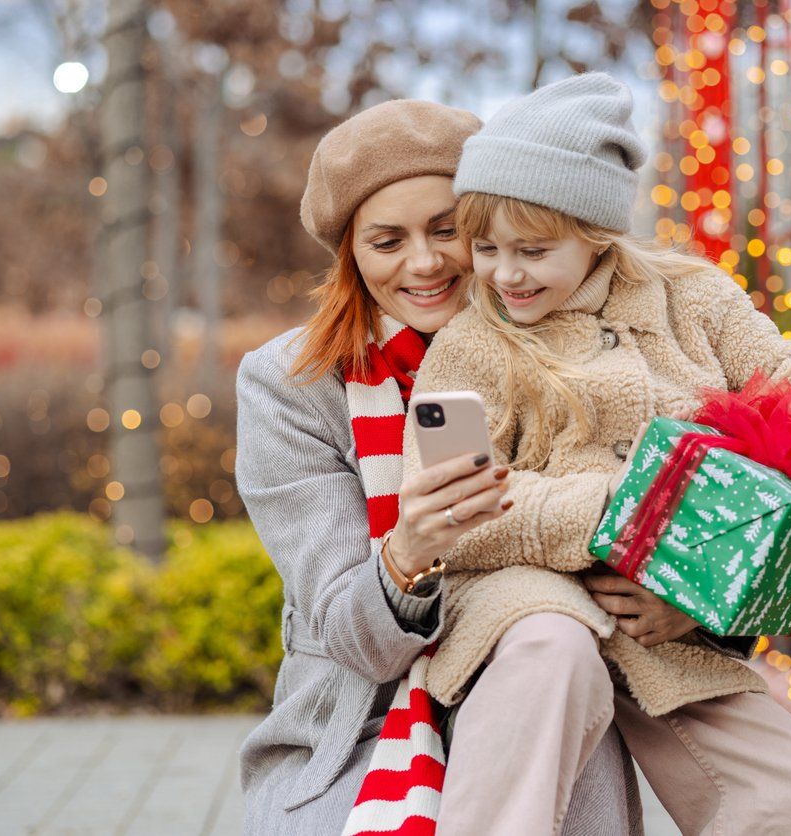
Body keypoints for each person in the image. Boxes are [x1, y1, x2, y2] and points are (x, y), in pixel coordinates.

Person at [403, 72, 791, 834]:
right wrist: (632, 515)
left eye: (533, 250)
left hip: (664, 617)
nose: (505, 275)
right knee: (549, 654)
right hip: (528, 599)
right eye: (485, 249)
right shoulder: (469, 347)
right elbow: (458, 509)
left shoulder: (690, 301)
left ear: (595, 232)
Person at [235, 97, 643, 835]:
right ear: (350, 254)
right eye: (386, 241)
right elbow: (347, 635)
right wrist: (405, 555)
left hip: (549, 684)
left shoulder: (580, 342)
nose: (423, 264)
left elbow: (667, 509)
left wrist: (676, 614)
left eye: (447, 229)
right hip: (362, 716)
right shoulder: (292, 384)